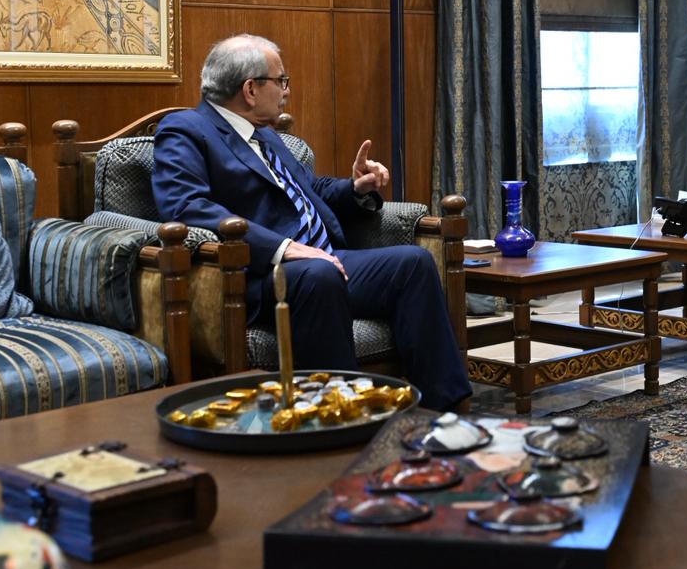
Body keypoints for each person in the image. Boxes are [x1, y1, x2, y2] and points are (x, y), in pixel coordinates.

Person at [152, 34, 472, 410]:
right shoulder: (186, 129)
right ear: (250, 89)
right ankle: (341, 415)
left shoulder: (266, 135)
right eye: (281, 80)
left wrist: (356, 187)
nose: (287, 91)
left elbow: (308, 189)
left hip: (324, 260)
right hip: (257, 274)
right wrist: (283, 249)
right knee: (320, 275)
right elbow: (184, 205)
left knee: (413, 263)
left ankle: (443, 410)